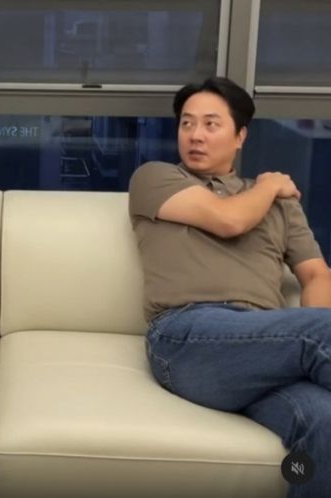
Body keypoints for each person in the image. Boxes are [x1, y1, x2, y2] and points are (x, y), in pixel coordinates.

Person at [128, 76, 331, 497]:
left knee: (324, 419)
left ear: (240, 136)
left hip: (267, 348)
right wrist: (271, 184)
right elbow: (229, 220)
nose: (195, 135)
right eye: (187, 123)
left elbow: (316, 275)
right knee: (320, 332)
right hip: (187, 337)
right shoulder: (156, 178)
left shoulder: (283, 207)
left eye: (210, 124)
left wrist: (309, 327)